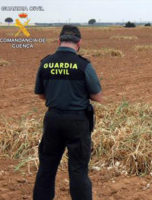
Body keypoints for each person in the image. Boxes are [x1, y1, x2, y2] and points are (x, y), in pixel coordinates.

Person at [33, 25, 102, 200]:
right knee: (78, 169)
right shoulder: (83, 65)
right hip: (77, 121)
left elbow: (41, 94)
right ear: (79, 43)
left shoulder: (46, 63)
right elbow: (97, 95)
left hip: (53, 119)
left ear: (59, 41)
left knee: (46, 167)